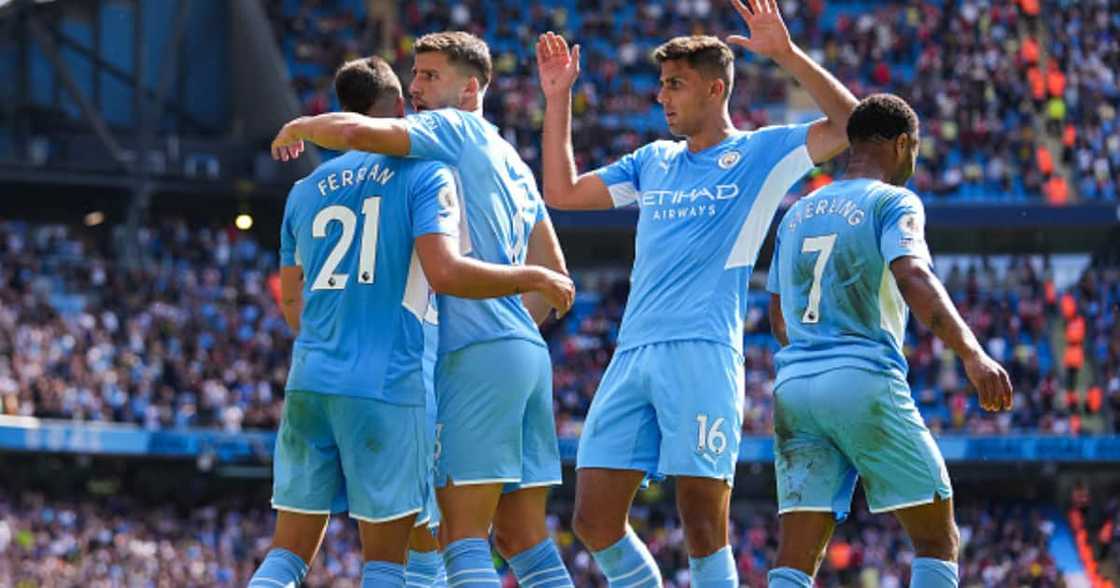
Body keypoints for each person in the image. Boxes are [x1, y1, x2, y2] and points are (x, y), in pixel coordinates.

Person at [534, 0, 858, 585]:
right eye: (661, 85)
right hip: (632, 353)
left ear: (715, 90)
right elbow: (561, 191)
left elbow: (852, 125)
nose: (662, 97)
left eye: (676, 85)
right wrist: (557, 99)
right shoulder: (652, 161)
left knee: (704, 525)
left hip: (703, 351)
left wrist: (784, 53)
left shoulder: (761, 152)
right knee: (593, 519)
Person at [251, 56, 573, 588]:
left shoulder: (304, 191)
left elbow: (292, 307)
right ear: (400, 111)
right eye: (416, 81)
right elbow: (446, 270)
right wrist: (526, 288)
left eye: (430, 76)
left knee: (287, 554)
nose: (421, 91)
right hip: (399, 378)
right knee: (405, 557)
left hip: (311, 378)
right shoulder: (429, 173)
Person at [765, 94, 1014, 588]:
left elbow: (779, 316)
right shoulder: (892, 200)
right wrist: (973, 354)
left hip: (793, 389)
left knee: (795, 556)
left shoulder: (798, 212)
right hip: (861, 381)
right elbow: (914, 278)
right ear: (902, 144)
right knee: (937, 540)